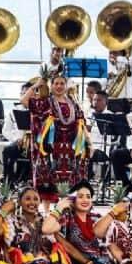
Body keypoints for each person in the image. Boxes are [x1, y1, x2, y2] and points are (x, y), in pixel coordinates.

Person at [21, 75, 88, 203]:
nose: (59, 86)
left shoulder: (73, 103)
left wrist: (88, 142)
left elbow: (81, 122)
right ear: (51, 86)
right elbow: (24, 101)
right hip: (51, 147)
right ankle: (47, 212)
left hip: (70, 148)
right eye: (56, 83)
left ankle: (67, 207)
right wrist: (36, 85)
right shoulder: (46, 102)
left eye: (62, 83)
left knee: (71, 179)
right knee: (48, 179)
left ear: (66, 86)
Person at [1, 82, 32, 188]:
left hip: (34, 144)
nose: (25, 97)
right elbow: (5, 131)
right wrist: (16, 139)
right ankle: (8, 181)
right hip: (18, 143)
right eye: (23, 94)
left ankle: (27, 180)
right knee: (7, 151)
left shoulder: (39, 112)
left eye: (28, 94)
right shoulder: (13, 111)